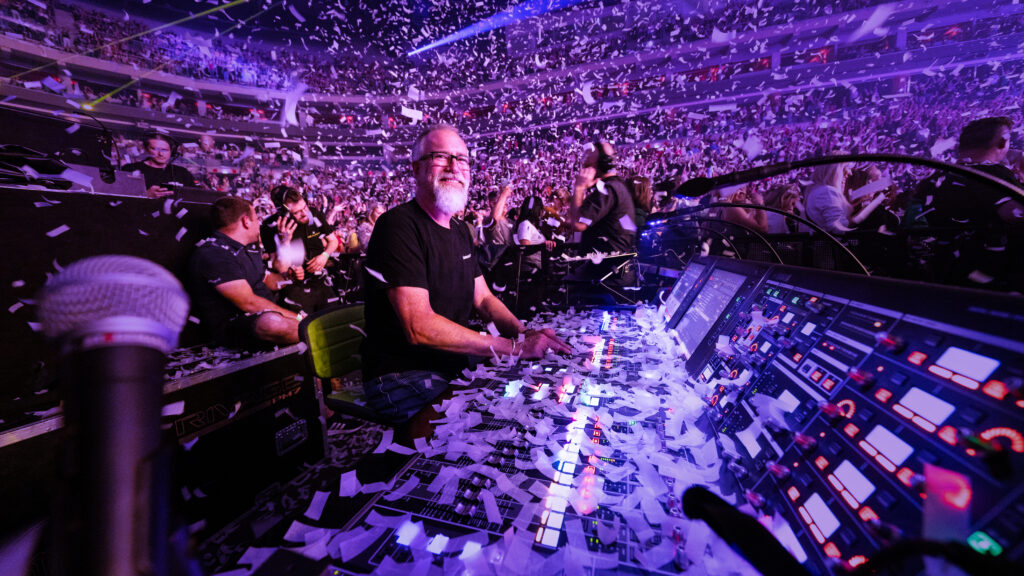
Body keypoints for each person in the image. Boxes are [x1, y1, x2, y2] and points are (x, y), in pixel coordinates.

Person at [361, 124, 571, 423]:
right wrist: (515, 347)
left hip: (450, 363)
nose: (454, 166)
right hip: (400, 373)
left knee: (525, 406)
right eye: (440, 156)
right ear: (417, 169)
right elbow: (419, 326)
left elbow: (484, 298)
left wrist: (523, 333)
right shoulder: (397, 226)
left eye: (461, 159)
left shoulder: (459, 229)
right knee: (486, 423)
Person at [914, 116, 1024, 286]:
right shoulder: (993, 173)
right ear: (1003, 142)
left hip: (942, 273)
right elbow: (1015, 214)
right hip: (989, 280)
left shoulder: (932, 179)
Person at [187, 197, 300, 349]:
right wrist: (300, 319)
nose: (258, 224)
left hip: (266, 313)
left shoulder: (250, 249)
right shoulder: (214, 254)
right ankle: (316, 332)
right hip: (234, 328)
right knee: (271, 323)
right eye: (256, 219)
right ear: (246, 221)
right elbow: (249, 303)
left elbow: (266, 280)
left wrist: (288, 277)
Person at [259, 186, 339, 314]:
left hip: (322, 282)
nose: (304, 213)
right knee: (300, 326)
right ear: (283, 212)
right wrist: (285, 243)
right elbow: (279, 267)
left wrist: (324, 255)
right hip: (294, 289)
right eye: (296, 212)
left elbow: (333, 241)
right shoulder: (269, 227)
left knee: (331, 319)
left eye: (304, 207)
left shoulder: (313, 213)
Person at [568, 140, 637, 286]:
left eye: (587, 163)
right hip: (613, 272)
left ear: (599, 164)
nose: (583, 166)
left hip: (606, 276)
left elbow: (578, 223)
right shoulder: (616, 186)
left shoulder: (607, 190)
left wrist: (579, 188)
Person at [122, 133, 197, 198]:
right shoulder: (129, 169)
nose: (160, 154)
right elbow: (118, 198)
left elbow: (196, 196)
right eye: (155, 149)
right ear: (146, 149)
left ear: (172, 152)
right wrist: (144, 195)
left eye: (165, 150)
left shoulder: (182, 173)